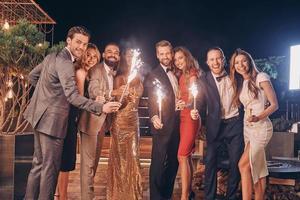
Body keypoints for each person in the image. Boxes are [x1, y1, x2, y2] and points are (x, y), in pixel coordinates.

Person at [23, 26, 121, 200]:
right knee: (49, 169)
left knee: (38, 165)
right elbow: (72, 96)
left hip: (38, 118)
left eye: (84, 44)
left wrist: (48, 97)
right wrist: (101, 107)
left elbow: (33, 76)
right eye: (78, 42)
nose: (81, 47)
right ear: (68, 40)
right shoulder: (66, 62)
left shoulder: (51, 57)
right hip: (52, 123)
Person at [191, 47, 244, 200]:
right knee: (210, 163)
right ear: (207, 62)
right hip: (215, 126)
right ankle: (209, 197)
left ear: (224, 59)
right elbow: (198, 102)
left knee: (235, 163)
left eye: (218, 58)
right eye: (212, 59)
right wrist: (194, 112)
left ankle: (232, 196)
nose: (216, 62)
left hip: (235, 124)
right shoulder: (203, 80)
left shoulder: (236, 76)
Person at [78, 42, 126, 200]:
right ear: (104, 55)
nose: (113, 54)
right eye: (109, 51)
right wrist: (111, 92)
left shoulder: (115, 73)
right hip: (91, 122)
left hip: (102, 124)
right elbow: (93, 91)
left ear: (119, 57)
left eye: (116, 52)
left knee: (94, 164)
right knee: (88, 166)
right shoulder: (96, 69)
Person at [229, 49, 278, 200]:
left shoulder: (261, 77)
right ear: (233, 66)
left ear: (249, 61)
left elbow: (275, 105)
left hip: (262, 127)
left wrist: (258, 117)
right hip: (248, 129)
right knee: (257, 167)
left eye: (243, 61)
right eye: (236, 62)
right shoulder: (241, 83)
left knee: (243, 165)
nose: (240, 65)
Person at [54, 43, 101, 200]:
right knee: (66, 160)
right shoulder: (80, 72)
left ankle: (57, 193)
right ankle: (63, 196)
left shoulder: (84, 72)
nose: (91, 59)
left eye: (95, 56)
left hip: (69, 117)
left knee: (63, 159)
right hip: (69, 118)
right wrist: (98, 103)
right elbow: (78, 100)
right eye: (88, 55)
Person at [145, 40, 180, 200]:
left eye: (167, 53)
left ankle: (167, 195)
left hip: (178, 125)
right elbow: (153, 99)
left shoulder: (178, 71)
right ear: (157, 55)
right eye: (161, 53)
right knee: (158, 165)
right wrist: (153, 116)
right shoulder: (154, 74)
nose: (165, 56)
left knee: (173, 163)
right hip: (162, 125)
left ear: (171, 53)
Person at [106, 48, 144, 200]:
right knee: (121, 159)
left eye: (132, 55)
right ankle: (119, 195)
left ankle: (133, 194)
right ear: (124, 58)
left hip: (134, 122)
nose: (130, 58)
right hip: (121, 122)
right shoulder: (119, 78)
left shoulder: (139, 78)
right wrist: (121, 94)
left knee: (134, 157)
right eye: (128, 55)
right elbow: (117, 104)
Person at [173, 46, 200, 200]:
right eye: (175, 59)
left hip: (190, 116)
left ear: (187, 57)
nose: (178, 62)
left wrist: (186, 104)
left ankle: (184, 196)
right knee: (186, 157)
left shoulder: (192, 74)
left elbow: (192, 97)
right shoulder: (181, 75)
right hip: (182, 117)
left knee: (182, 155)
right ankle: (189, 192)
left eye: (180, 58)